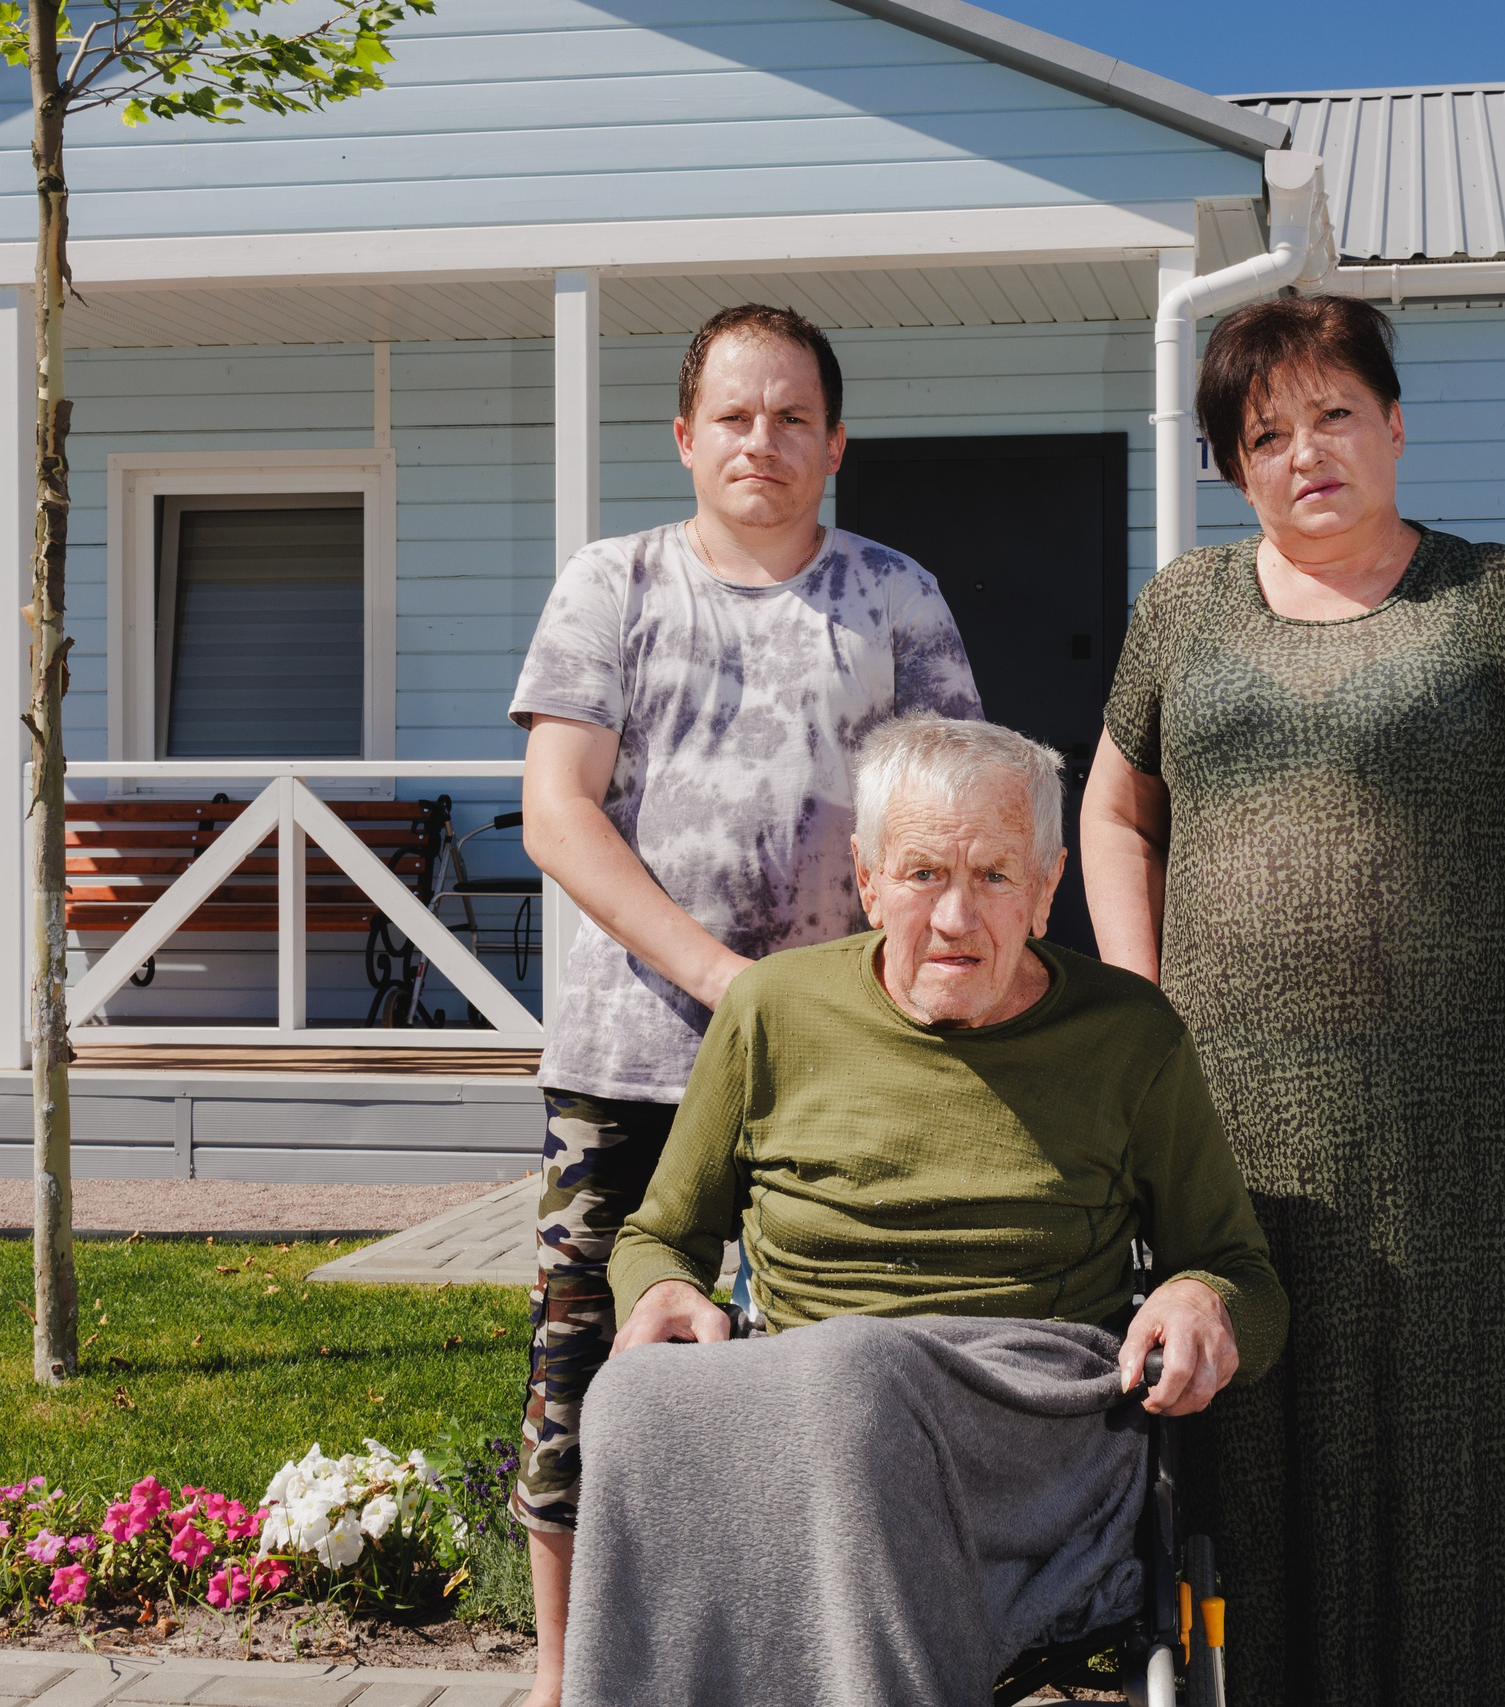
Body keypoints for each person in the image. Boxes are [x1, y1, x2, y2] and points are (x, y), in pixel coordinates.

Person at [1080, 293, 1505, 1707]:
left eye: (1334, 414)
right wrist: (1139, 1025)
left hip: (1450, 1109)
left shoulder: (1502, 600)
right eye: (1266, 432)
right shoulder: (1180, 609)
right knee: (1250, 1425)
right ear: (1233, 466)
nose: (1305, 451)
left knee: (1458, 1435)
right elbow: (1113, 817)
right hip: (1232, 1112)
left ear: (1393, 423)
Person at [559, 714, 1285, 1707]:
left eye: (992, 876)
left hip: (1031, 1418)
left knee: (857, 1372)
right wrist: (663, 1290)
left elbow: (1242, 1272)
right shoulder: (770, 1011)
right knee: (633, 1401)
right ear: (866, 883)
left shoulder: (1128, 1037)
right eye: (921, 876)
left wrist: (1202, 1297)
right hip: (811, 1393)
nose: (955, 917)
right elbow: (658, 1235)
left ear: (1045, 889)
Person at [506, 304, 982, 1707]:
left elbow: (949, 812)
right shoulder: (615, 582)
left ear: (834, 442)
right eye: (733, 415)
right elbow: (556, 811)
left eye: (790, 417)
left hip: (842, 1062)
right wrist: (725, 980)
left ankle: (776, 1660)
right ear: (685, 436)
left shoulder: (899, 596)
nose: (760, 441)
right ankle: (563, 1671)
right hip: (628, 1059)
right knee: (587, 1355)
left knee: (807, 1372)